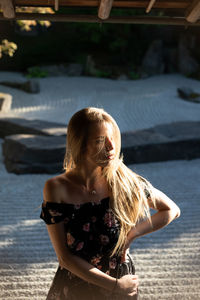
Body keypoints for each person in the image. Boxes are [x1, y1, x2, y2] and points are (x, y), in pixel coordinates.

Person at [40, 107, 180, 300]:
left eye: (112, 138)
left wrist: (132, 234)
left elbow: (171, 209)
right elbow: (65, 258)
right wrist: (114, 285)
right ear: (80, 144)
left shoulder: (123, 181)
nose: (111, 147)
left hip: (120, 279)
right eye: (99, 140)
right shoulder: (56, 188)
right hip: (79, 283)